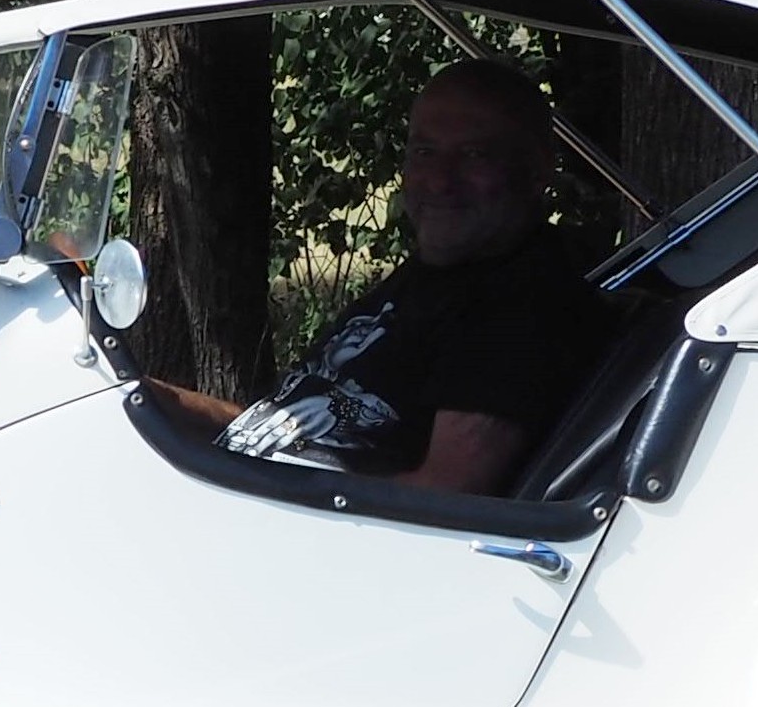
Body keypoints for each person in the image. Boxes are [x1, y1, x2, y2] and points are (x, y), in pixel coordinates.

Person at [148, 60, 611, 496]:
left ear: (537, 171)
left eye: (473, 154)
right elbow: (278, 431)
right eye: (425, 151)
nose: (438, 180)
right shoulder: (439, 277)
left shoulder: (523, 306)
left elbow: (443, 500)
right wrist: (149, 399)